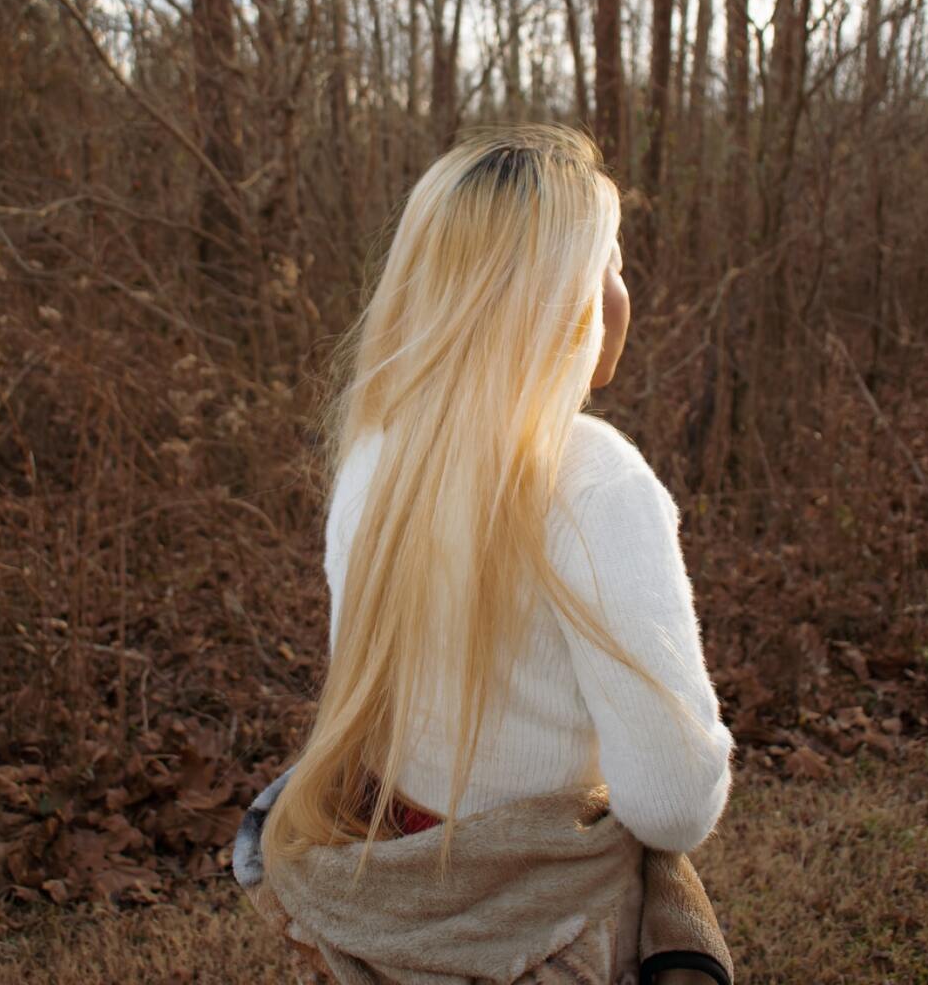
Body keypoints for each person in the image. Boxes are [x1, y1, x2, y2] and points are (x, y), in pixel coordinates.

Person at [241, 124, 736, 983]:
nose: (623, 288)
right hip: (542, 928)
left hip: (388, 898)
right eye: (609, 264)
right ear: (559, 296)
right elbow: (673, 803)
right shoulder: (596, 482)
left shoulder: (373, 457)